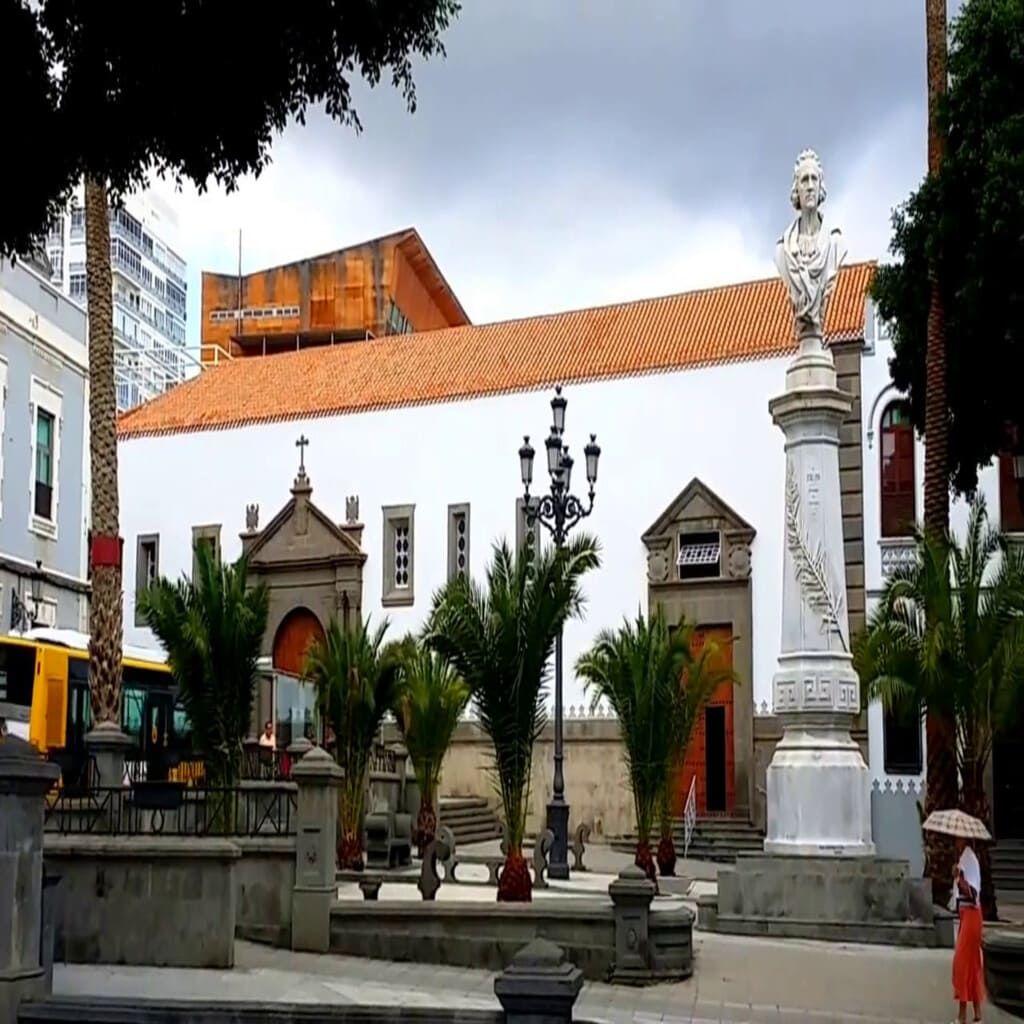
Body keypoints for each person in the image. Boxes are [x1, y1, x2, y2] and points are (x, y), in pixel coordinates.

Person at [952, 835, 984, 1024]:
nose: (956, 841)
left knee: (962, 963)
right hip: (967, 916)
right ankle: (977, 1012)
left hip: (972, 915)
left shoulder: (969, 859)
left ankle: (962, 1015)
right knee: (971, 963)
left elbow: (973, 894)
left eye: (959, 838)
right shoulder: (964, 858)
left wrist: (959, 878)